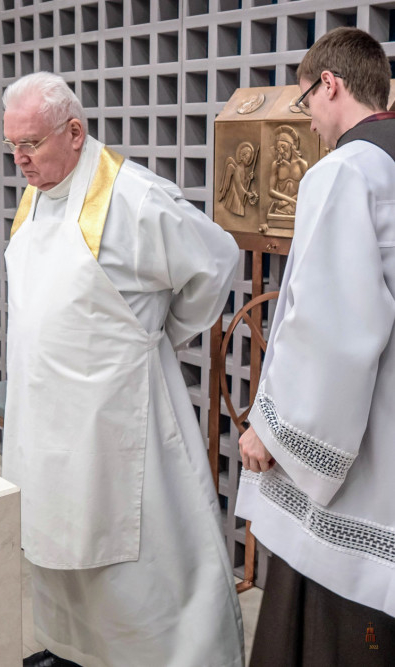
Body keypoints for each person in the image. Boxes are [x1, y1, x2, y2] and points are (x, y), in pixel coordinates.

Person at [1, 72, 244, 667]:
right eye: (12, 145)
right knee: (55, 542)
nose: (20, 159)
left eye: (30, 143)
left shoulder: (133, 196)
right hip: (43, 412)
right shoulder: (37, 194)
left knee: (135, 557)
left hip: (118, 415)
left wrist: (153, 332)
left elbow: (214, 261)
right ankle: (72, 651)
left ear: (74, 132)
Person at [236, 27, 395, 665]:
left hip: (362, 435)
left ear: (330, 85)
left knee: (332, 608)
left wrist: (271, 431)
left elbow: (329, 328)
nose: (308, 122)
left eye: (305, 103)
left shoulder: (346, 170)